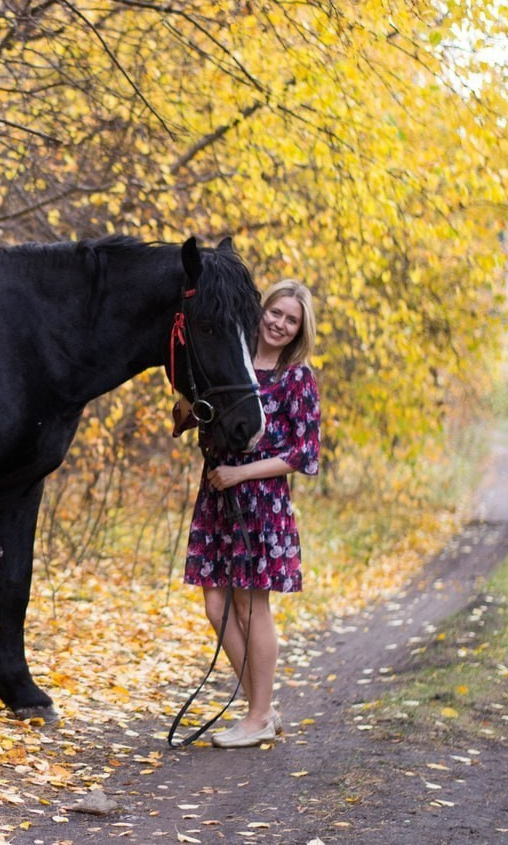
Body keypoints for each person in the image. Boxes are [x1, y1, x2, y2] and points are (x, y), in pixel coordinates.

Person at [173, 278, 321, 748]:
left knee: (251, 606)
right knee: (216, 605)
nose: (279, 323)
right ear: (261, 312)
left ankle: (257, 716)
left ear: (300, 329)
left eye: (290, 319)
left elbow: (304, 454)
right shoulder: (230, 363)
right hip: (217, 496)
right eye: (275, 313)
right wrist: (185, 412)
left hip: (259, 502)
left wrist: (242, 474)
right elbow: (198, 418)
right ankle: (263, 708)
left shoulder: (297, 377)